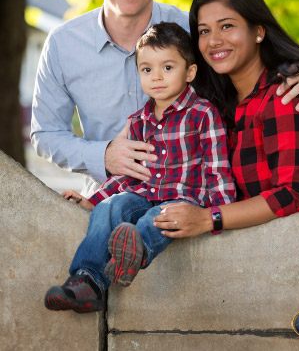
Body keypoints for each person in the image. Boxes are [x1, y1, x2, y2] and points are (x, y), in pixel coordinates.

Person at [31, 0, 299, 196]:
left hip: (192, 200)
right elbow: (45, 135)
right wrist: (103, 155)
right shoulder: (63, 44)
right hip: (107, 200)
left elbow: (249, 58)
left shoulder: (192, 31)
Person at [44, 22, 236, 313]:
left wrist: (219, 213)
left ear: (190, 72)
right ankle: (86, 281)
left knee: (158, 217)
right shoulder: (137, 121)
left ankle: (135, 252)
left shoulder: (203, 114)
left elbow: (217, 168)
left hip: (182, 199)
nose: (156, 77)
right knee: (111, 207)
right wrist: (92, 201)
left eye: (167, 68)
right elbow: (124, 174)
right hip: (142, 195)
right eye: (147, 70)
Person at [150, 0, 299, 237]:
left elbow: (294, 195)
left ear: (259, 32)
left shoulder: (287, 97)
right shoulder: (211, 105)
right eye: (204, 31)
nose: (213, 41)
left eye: (227, 26)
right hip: (240, 254)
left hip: (296, 254)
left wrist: (208, 218)